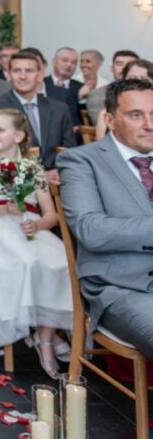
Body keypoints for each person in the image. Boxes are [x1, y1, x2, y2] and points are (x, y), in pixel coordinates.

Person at [0, 109, 72, 376]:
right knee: (26, 262)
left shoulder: (33, 167)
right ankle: (36, 333)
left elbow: (51, 215)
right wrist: (2, 210)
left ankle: (45, 336)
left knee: (61, 261)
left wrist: (36, 224)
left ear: (18, 136)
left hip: (28, 228)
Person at [60, 79, 153, 360]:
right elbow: (91, 230)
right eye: (136, 115)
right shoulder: (82, 161)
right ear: (110, 120)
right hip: (121, 287)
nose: (149, 124)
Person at [0, 51, 75, 182]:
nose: (23, 76)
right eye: (16, 71)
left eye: (29, 71)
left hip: (57, 182)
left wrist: (59, 171)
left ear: (40, 75)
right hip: (15, 182)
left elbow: (69, 151)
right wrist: (39, 175)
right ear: (9, 75)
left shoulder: (60, 109)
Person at [94, 59, 153, 140]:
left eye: (144, 79)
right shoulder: (107, 114)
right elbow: (101, 148)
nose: (137, 84)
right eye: (132, 79)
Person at [87, 50, 140, 123]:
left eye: (129, 64)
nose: (124, 68)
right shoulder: (97, 95)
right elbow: (102, 125)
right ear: (112, 68)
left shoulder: (148, 93)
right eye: (119, 64)